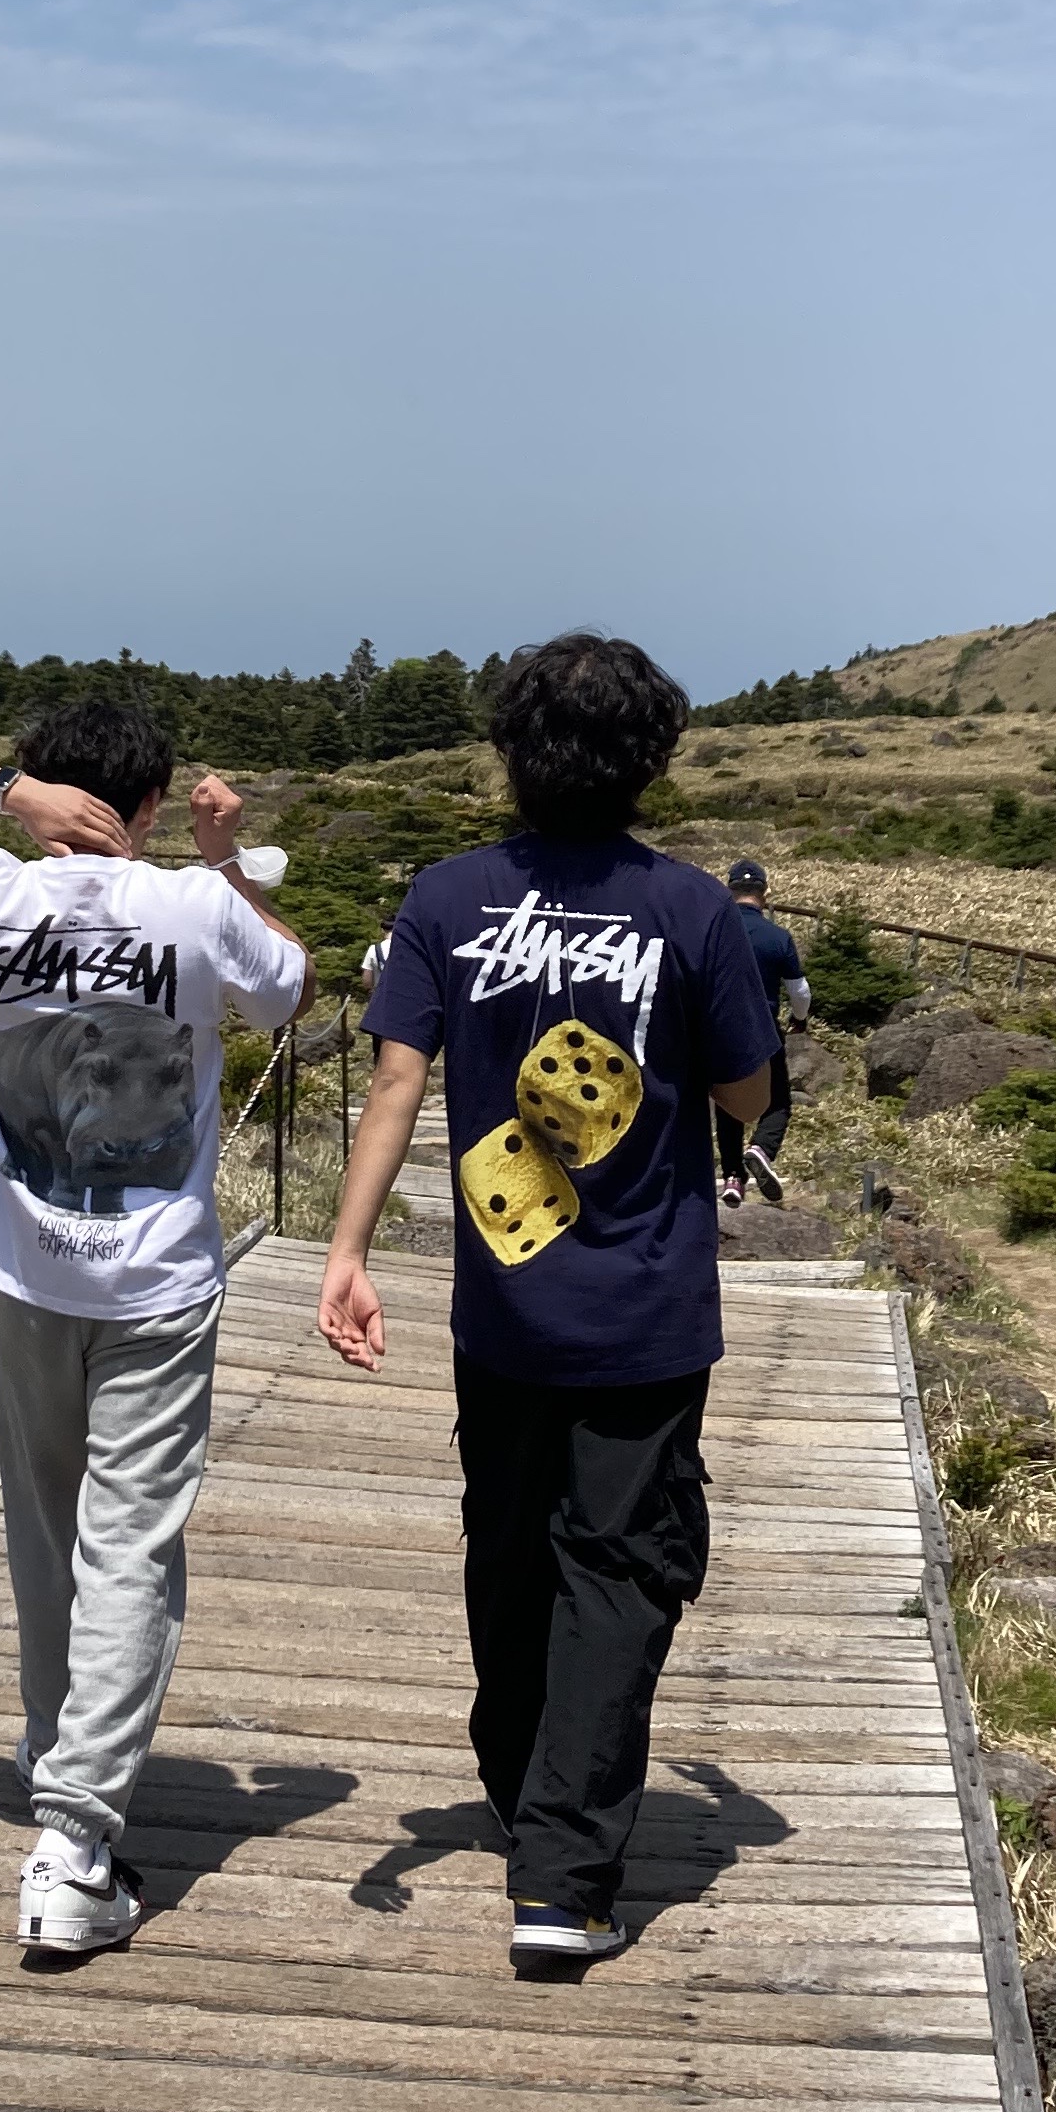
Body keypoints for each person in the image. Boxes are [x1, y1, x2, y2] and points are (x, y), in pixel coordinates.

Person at [318, 632, 779, 1980]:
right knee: (619, 1565)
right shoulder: (692, 909)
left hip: (503, 1306)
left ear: (512, 752)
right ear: (651, 758)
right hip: (646, 1308)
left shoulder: (447, 897)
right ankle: (565, 1878)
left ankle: (525, 1790)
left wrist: (348, 1249)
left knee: (511, 1549)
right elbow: (746, 1090)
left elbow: (396, 1081)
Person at [0, 701, 312, 1958]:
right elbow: (289, 991)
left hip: (24, 1269)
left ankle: (51, 1756)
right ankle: (75, 1843)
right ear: (149, 804)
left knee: (43, 1531)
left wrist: (4, 793)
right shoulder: (194, 905)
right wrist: (226, 857)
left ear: (49, 796)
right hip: (157, 1284)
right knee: (130, 1547)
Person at [715, 861, 811, 1208]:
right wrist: (800, 1020)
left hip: (720, 1029)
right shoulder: (778, 937)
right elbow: (800, 992)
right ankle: (761, 1148)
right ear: (764, 893)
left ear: (729, 891)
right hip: (764, 1028)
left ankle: (732, 1177)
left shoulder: (715, 932)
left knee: (728, 1101)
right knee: (778, 1099)